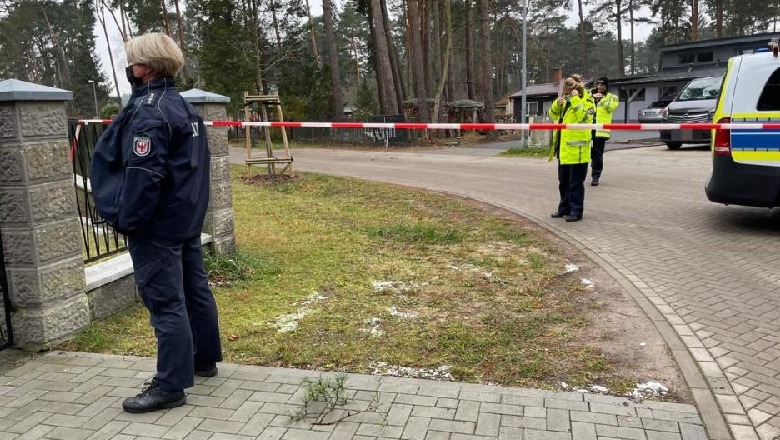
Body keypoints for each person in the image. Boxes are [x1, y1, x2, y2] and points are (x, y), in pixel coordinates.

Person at [90, 32, 223, 413]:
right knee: (195, 291)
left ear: (144, 67)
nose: (129, 68)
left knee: (166, 302)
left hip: (158, 225)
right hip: (184, 220)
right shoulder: (180, 105)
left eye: (132, 61)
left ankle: (170, 385)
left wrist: (130, 220)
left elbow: (143, 175)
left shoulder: (151, 111)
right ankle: (202, 359)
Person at [548, 77, 595, 222]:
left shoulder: (588, 102)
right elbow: (552, 115)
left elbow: (583, 118)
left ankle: (576, 211)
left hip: (579, 152)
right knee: (563, 182)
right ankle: (564, 208)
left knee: (575, 183)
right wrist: (557, 104)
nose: (568, 92)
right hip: (563, 150)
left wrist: (575, 100)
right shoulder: (565, 102)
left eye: (571, 89)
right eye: (566, 90)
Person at [590, 76, 619, 186]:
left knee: (598, 154)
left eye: (602, 85)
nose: (599, 87)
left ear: (607, 86)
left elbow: (611, 108)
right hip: (588, 128)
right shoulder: (591, 95)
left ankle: (595, 176)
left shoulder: (612, 97)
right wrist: (593, 97)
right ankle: (591, 167)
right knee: (590, 153)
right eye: (598, 84)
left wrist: (602, 99)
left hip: (601, 130)